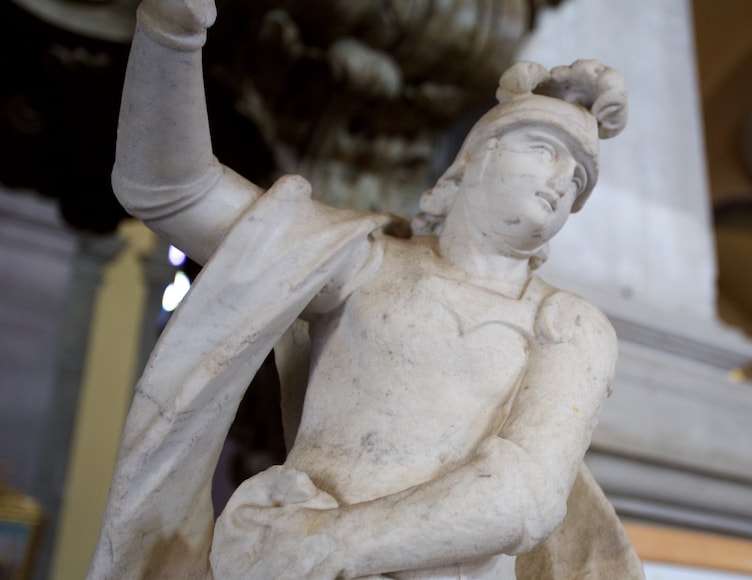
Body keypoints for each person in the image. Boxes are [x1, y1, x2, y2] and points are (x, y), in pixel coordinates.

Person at [88, 0, 641, 578]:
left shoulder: (566, 322)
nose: (561, 185)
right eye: (545, 151)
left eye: (578, 180)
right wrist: (170, 33)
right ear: (472, 159)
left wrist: (325, 544)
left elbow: (525, 496)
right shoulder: (362, 262)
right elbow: (167, 190)